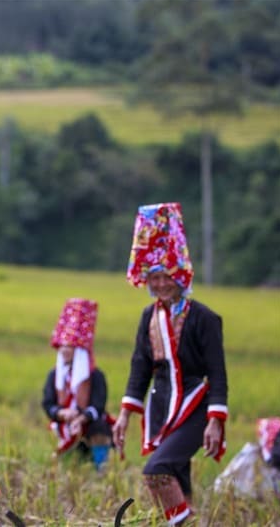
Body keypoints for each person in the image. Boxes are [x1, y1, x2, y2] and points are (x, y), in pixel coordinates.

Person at [112, 202, 228, 526]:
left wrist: (216, 420)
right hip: (162, 406)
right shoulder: (149, 317)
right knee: (178, 475)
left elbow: (217, 373)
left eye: (167, 276)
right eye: (155, 277)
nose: (161, 284)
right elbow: (140, 367)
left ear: (181, 275)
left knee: (157, 471)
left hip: (195, 407)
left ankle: (182, 523)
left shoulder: (204, 318)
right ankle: (187, 519)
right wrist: (124, 415)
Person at [42, 298, 112, 471]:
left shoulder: (95, 376)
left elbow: (98, 406)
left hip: (88, 424)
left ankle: (100, 469)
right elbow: (48, 404)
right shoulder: (55, 375)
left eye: (70, 346)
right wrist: (62, 413)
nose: (65, 350)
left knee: (100, 428)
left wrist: (81, 418)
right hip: (64, 423)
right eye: (63, 346)